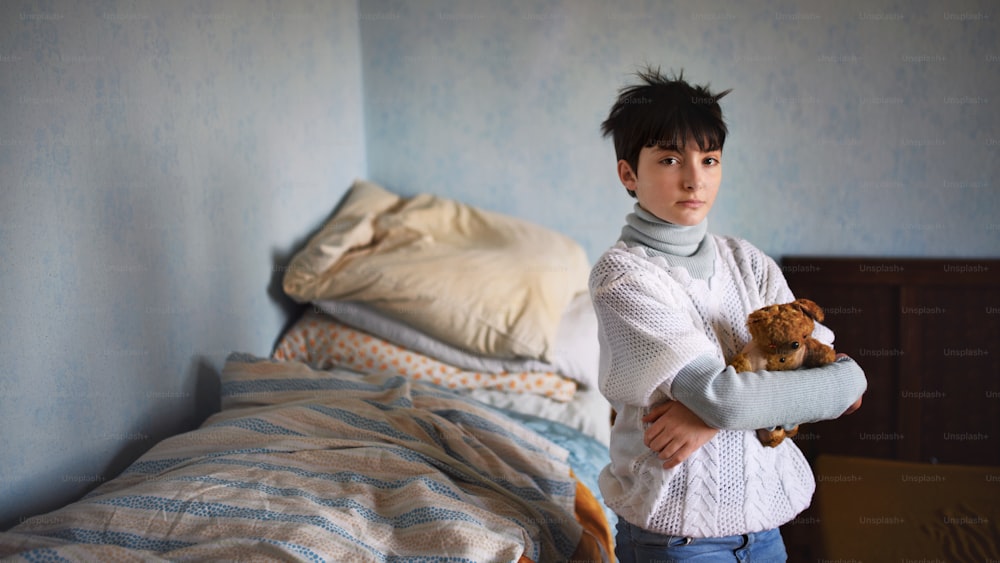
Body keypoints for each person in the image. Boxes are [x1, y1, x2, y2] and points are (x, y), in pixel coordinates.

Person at [590, 67, 867, 562]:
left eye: (710, 159)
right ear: (629, 174)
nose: (695, 179)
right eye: (670, 159)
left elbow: (842, 385)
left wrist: (707, 418)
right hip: (677, 541)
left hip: (765, 530)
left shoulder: (749, 261)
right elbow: (731, 397)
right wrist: (727, 406)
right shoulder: (624, 276)